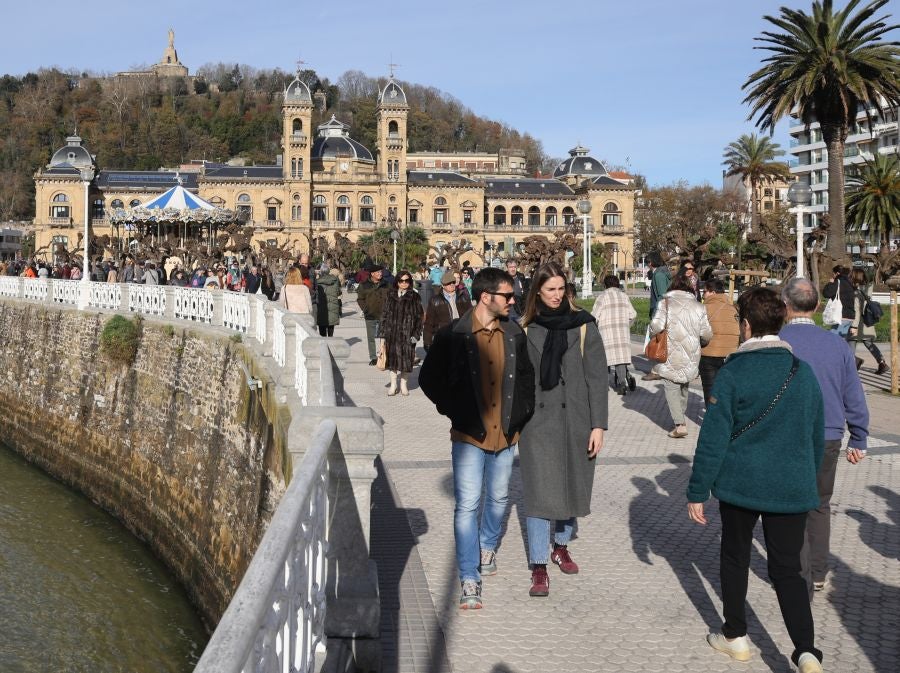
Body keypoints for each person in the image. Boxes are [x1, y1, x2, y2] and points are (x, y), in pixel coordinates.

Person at [687, 287, 824, 673]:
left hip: (740, 485)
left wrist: (698, 490)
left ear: (745, 325)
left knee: (734, 557)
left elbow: (713, 439)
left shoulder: (733, 372)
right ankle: (806, 650)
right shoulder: (803, 371)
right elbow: (816, 435)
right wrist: (806, 481)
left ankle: (736, 638)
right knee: (787, 570)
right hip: (791, 487)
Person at [419, 267, 535, 610]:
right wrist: (453, 409)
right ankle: (469, 575)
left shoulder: (514, 333)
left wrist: (522, 415)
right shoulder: (453, 335)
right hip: (469, 437)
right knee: (467, 506)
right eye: (507, 296)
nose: (513, 301)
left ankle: (487, 545)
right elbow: (429, 379)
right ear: (487, 297)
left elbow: (526, 379)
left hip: (507, 436)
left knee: (499, 498)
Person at [518, 262, 607, 597]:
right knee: (540, 493)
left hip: (577, 420)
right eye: (549, 289)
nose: (556, 296)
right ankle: (539, 565)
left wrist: (598, 424)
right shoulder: (526, 327)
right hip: (537, 423)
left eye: (560, 289)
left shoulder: (584, 325)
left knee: (573, 484)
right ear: (537, 291)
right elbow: (520, 380)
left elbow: (597, 378)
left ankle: (561, 545)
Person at [780, 278, 869, 596]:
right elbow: (853, 394)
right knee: (819, 505)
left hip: (786, 437)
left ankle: (799, 573)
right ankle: (818, 572)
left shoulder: (775, 341)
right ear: (817, 307)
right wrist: (858, 437)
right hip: (829, 436)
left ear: (785, 305)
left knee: (792, 506)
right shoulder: (836, 345)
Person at [648, 272, 712, 438]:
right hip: (691, 351)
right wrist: (700, 343)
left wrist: (651, 331)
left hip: (670, 350)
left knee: (670, 385)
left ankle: (679, 423)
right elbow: (707, 334)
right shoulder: (699, 306)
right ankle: (679, 417)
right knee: (683, 383)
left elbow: (656, 326)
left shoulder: (666, 303)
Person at [591, 274, 636, 395]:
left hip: (606, 333)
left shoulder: (602, 297)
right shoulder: (624, 296)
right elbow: (633, 314)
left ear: (605, 285)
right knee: (620, 358)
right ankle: (622, 383)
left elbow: (594, 316)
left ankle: (603, 384)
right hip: (622, 333)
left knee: (605, 358)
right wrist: (626, 325)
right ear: (617, 284)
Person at [379, 271, 423, 396]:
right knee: (392, 362)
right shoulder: (390, 295)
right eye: (401, 281)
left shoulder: (415, 296)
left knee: (406, 362)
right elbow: (384, 315)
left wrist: (416, 336)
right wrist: (382, 335)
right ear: (397, 281)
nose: (404, 283)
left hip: (408, 335)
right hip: (391, 334)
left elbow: (419, 318)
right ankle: (393, 385)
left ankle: (404, 384)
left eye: (406, 281)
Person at [698, 279, 740, 406]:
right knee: (726, 391)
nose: (703, 295)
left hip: (708, 354)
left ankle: (712, 420)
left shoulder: (703, 309)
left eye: (704, 292)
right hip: (730, 356)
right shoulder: (733, 309)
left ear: (713, 292)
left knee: (710, 391)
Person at [847, 268, 889, 375]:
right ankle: (882, 362)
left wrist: (854, 326)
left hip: (858, 321)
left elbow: (856, 310)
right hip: (867, 320)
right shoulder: (868, 286)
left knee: (851, 342)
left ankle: (853, 364)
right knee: (869, 343)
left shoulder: (855, 291)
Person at [423, 270, 473, 351]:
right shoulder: (435, 300)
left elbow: (471, 316)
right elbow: (429, 323)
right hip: (444, 337)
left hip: (461, 336)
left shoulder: (463, 297)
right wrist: (427, 342)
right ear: (443, 285)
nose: (452, 285)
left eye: (453, 282)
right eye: (448, 283)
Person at [357, 264, 389, 366]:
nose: (380, 274)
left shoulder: (386, 284)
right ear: (372, 274)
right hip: (370, 314)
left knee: (384, 337)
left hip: (384, 315)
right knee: (371, 338)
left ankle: (385, 356)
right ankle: (373, 357)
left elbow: (392, 296)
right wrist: (365, 309)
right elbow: (360, 299)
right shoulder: (364, 285)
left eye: (381, 272)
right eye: (378, 272)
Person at [822, 265, 854, 336]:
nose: (833, 275)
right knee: (843, 341)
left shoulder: (837, 283)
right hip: (850, 317)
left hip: (840, 316)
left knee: (834, 341)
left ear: (837, 273)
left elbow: (826, 294)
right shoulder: (850, 283)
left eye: (833, 273)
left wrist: (830, 283)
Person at [315, 266, 342, 337]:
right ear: (328, 271)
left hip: (321, 308)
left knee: (322, 332)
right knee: (331, 332)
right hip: (333, 307)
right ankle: (330, 345)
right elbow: (338, 292)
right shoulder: (335, 280)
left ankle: (324, 346)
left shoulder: (317, 282)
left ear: (321, 272)